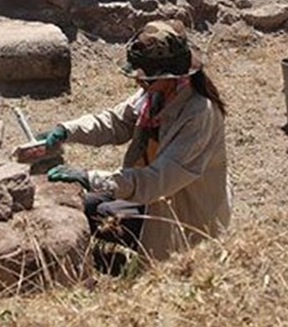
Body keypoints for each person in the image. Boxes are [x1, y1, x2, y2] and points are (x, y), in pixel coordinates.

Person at [38, 20, 231, 261]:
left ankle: (120, 262)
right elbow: (115, 122)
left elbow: (156, 181)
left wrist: (90, 178)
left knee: (104, 212)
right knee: (83, 205)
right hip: (147, 195)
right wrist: (66, 130)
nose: (138, 81)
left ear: (169, 74)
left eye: (145, 76)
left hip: (183, 215)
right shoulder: (155, 95)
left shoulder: (199, 114)